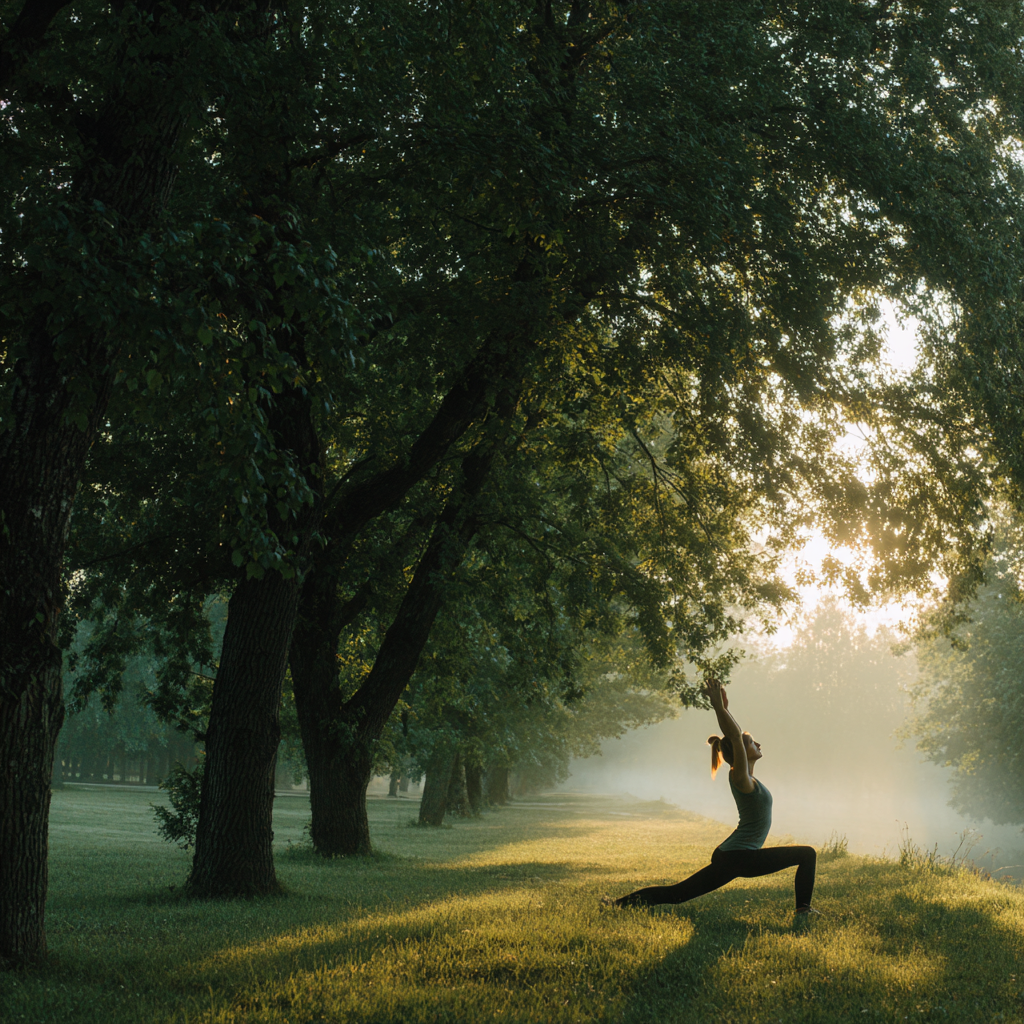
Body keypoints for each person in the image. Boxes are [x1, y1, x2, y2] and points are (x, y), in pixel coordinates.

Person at [606, 677, 818, 917]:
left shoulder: (749, 779)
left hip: (734, 855)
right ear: (740, 751)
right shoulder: (740, 778)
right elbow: (735, 737)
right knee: (807, 854)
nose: (758, 744)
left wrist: (725, 709)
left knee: (677, 894)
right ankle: (804, 910)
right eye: (752, 742)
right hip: (739, 856)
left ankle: (616, 905)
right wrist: (719, 707)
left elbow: (736, 737)